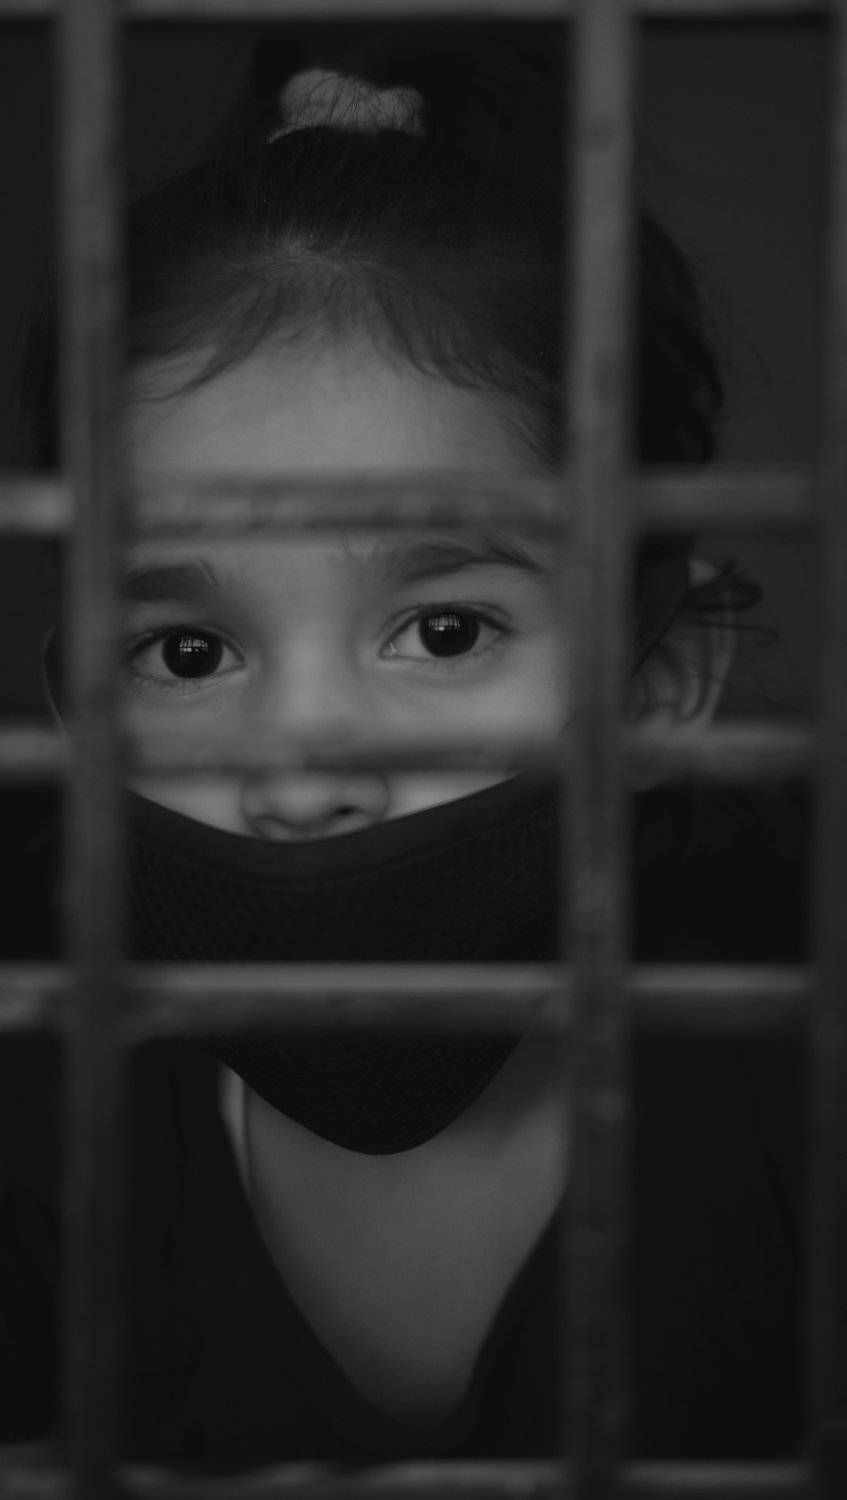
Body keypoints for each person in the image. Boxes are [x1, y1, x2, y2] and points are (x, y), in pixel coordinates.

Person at [3, 19, 809, 1471]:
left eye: (443, 631)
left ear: (659, 682)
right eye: (188, 654)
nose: (304, 772)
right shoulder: (35, 1103)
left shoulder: (794, 1093)